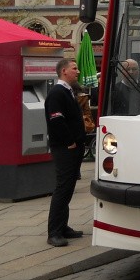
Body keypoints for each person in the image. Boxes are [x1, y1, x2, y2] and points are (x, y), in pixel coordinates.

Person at [45, 58, 86, 247]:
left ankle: (63, 227)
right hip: (65, 148)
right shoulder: (57, 93)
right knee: (62, 188)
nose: (77, 71)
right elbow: (56, 120)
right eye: (74, 68)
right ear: (64, 71)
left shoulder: (68, 91)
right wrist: (69, 141)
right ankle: (53, 232)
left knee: (68, 188)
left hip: (74, 148)